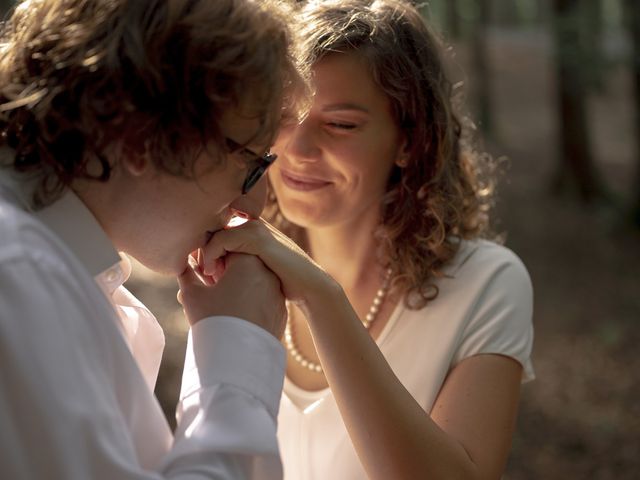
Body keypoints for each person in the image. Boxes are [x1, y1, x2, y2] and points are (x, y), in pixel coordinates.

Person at [198, 0, 535, 478]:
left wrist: (321, 296)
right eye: (285, 117)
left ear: (409, 141)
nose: (298, 149)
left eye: (340, 124)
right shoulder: (232, 268)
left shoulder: (487, 284)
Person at [0, 0, 307, 478]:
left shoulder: (57, 268)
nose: (253, 204)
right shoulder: (18, 278)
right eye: (251, 164)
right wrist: (237, 347)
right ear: (145, 136)